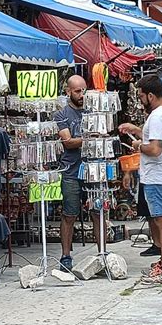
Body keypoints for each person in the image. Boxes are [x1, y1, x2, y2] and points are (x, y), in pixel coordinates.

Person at [119, 74, 162, 284]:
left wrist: (137, 146)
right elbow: (159, 139)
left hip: (157, 175)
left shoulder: (157, 116)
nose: (140, 100)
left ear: (151, 95)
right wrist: (137, 130)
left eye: (141, 96)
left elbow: (154, 149)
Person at [54, 75, 106, 272]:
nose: (82, 94)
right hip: (71, 170)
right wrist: (91, 138)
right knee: (69, 213)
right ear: (68, 91)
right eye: (77, 91)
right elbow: (67, 141)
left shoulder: (95, 111)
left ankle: (102, 253)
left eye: (84, 90)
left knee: (98, 211)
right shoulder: (62, 114)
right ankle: (66, 256)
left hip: (94, 168)